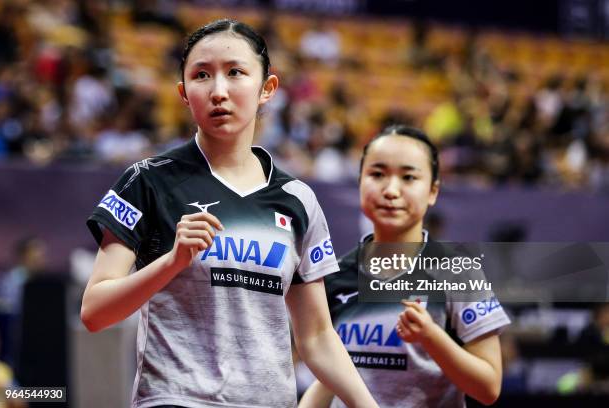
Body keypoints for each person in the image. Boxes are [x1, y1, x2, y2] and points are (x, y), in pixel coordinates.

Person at [80, 19, 377, 408]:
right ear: (185, 94)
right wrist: (172, 261)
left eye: (235, 72)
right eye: (202, 76)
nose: (218, 91)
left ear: (267, 88)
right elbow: (94, 312)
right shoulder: (147, 182)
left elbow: (318, 337)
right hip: (176, 399)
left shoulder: (296, 199)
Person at [299, 125, 511, 407]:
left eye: (409, 177)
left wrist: (432, 337)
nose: (391, 190)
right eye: (377, 174)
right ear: (360, 181)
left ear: (433, 191)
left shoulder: (458, 271)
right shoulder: (335, 275)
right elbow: (331, 378)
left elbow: (488, 388)